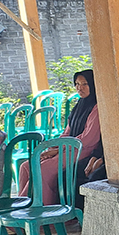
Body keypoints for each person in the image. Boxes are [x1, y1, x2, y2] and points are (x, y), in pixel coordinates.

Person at [19, 70, 100, 205]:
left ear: (93, 84)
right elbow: (67, 132)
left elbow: (89, 138)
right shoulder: (79, 106)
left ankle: (41, 210)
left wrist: (59, 150)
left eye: (84, 84)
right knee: (26, 166)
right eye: (77, 84)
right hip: (68, 147)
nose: (79, 88)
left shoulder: (96, 108)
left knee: (43, 169)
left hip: (82, 150)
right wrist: (53, 147)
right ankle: (24, 205)